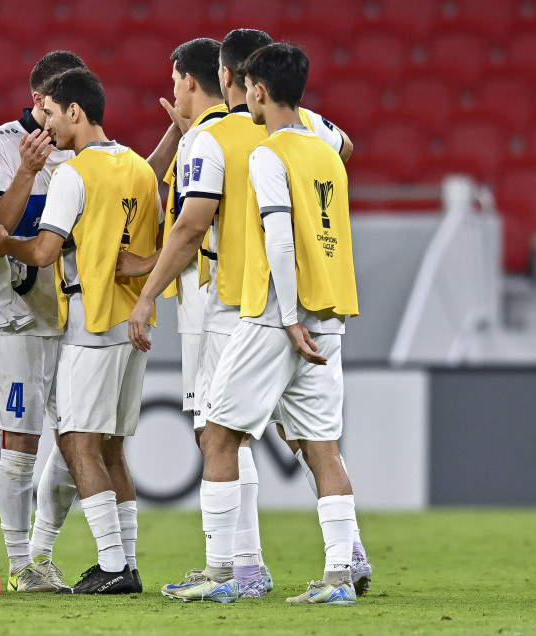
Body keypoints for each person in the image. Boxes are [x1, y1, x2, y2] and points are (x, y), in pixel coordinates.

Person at [187, 42, 361, 605]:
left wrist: (286, 320)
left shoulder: (268, 154)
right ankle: (340, 575)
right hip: (329, 313)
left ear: (256, 90)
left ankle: (221, 571)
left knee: (218, 434)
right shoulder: (328, 152)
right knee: (322, 448)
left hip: (275, 317)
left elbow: (280, 239)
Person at [0, 67, 159, 595]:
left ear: (74, 112)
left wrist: (2, 246)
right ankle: (127, 560)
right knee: (111, 447)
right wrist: (140, 272)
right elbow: (165, 243)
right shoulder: (140, 169)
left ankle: (111, 564)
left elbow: (42, 251)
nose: (47, 126)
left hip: (88, 319)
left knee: (77, 440)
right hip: (131, 323)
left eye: (52, 114)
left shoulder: (73, 175)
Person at [0, 50, 87, 593]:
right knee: (19, 446)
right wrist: (28, 168)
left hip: (71, 318)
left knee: (77, 443)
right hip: (17, 317)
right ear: (38, 98)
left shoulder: (83, 147)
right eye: (58, 101)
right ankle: (20, 563)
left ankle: (40, 554)